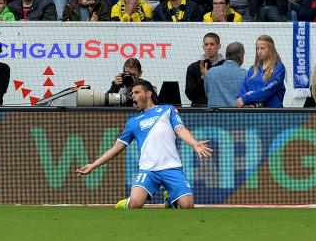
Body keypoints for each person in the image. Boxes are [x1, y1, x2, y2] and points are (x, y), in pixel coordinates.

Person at [76, 78, 213, 209]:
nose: (133, 96)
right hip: (148, 170)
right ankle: (128, 201)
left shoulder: (167, 110)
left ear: (148, 93)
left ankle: (170, 199)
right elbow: (115, 149)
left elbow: (181, 130)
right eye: (131, 93)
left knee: (188, 205)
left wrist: (194, 143)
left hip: (172, 167)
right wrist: (93, 165)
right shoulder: (133, 122)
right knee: (135, 204)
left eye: (136, 92)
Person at [236, 35, 286, 108]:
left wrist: (246, 98)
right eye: (257, 48)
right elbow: (244, 87)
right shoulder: (252, 69)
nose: (259, 52)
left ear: (270, 49)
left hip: (272, 113)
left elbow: (268, 89)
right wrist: (240, 99)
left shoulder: (278, 68)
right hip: (253, 112)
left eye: (262, 48)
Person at [185, 32, 224, 107]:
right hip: (199, 112)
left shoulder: (225, 66)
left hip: (220, 110)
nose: (209, 47)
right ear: (203, 47)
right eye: (206, 44)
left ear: (219, 46)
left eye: (212, 44)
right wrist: (203, 78)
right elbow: (190, 95)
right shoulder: (193, 67)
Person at [204, 42, 246, 107]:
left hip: (214, 115)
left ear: (226, 55)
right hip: (237, 115)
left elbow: (207, 94)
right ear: (241, 57)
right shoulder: (247, 75)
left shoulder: (210, 73)